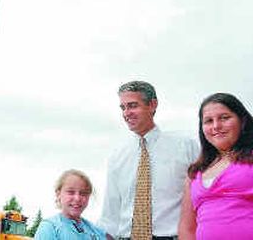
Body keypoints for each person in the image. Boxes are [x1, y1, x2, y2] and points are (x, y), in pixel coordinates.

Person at [97, 80, 199, 240]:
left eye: (132, 106)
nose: (126, 113)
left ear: (152, 105)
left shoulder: (187, 146)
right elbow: (111, 213)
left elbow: (203, 196)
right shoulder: (117, 156)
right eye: (123, 108)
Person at [178, 93, 253, 240]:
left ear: (242, 121)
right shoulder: (195, 173)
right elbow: (187, 228)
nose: (216, 126)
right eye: (208, 121)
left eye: (224, 118)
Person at [34, 169, 107, 239]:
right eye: (71, 192)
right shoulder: (49, 227)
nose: (77, 198)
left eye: (83, 193)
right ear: (58, 194)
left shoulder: (96, 231)